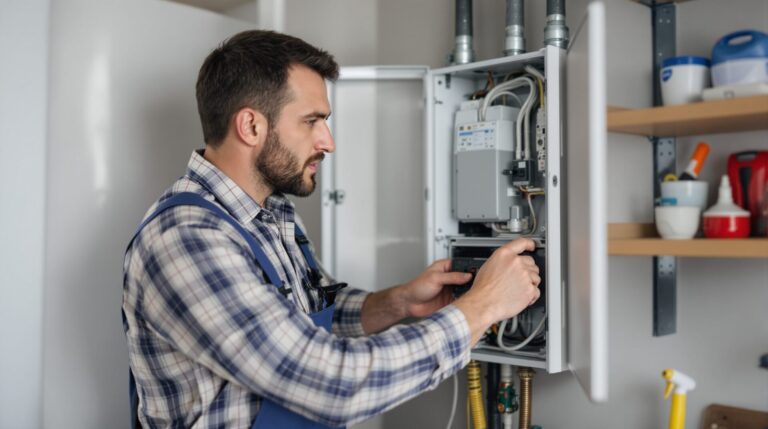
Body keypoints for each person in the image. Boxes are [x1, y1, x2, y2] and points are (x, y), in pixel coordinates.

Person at [122, 30, 541, 429]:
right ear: (250, 126)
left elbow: (303, 317)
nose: (328, 141)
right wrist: (481, 308)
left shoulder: (273, 215)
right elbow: (330, 383)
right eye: (312, 121)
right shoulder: (186, 240)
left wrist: (397, 303)